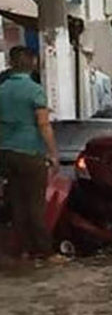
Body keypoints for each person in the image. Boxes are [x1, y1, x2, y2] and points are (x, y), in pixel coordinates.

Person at [0, 46, 60, 261]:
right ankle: (45, 252)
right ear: (33, 63)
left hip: (6, 153)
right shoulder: (34, 90)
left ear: (11, 63)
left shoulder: (2, 89)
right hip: (30, 152)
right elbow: (43, 124)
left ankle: (23, 250)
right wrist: (53, 153)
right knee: (35, 204)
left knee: (17, 203)